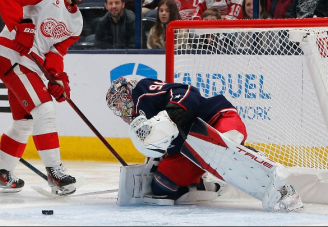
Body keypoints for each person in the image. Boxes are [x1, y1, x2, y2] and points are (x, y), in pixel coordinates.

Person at [105, 76, 304, 211]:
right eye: (116, 108)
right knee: (161, 186)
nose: (120, 110)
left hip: (212, 118)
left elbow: (186, 91)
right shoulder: (139, 123)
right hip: (190, 150)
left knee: (228, 144)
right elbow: (160, 143)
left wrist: (174, 112)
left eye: (119, 102)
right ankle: (205, 186)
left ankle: (280, 182)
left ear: (126, 93)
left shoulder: (142, 92)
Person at [0, 0, 100, 196]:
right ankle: (55, 172)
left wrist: (58, 79)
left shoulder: (76, 22)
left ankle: (1, 175)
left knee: (24, 122)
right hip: (12, 55)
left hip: (30, 64)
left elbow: (56, 53)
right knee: (44, 110)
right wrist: (21, 26)